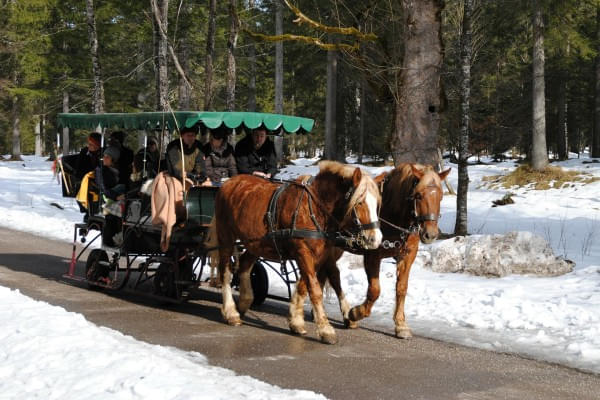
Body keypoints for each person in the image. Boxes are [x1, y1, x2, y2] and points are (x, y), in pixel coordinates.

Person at [95, 146, 126, 247]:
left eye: (107, 157)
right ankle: (113, 239)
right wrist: (116, 196)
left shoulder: (119, 170)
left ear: (113, 159)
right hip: (106, 198)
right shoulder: (100, 169)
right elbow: (103, 188)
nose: (104, 158)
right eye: (104, 156)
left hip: (119, 197)